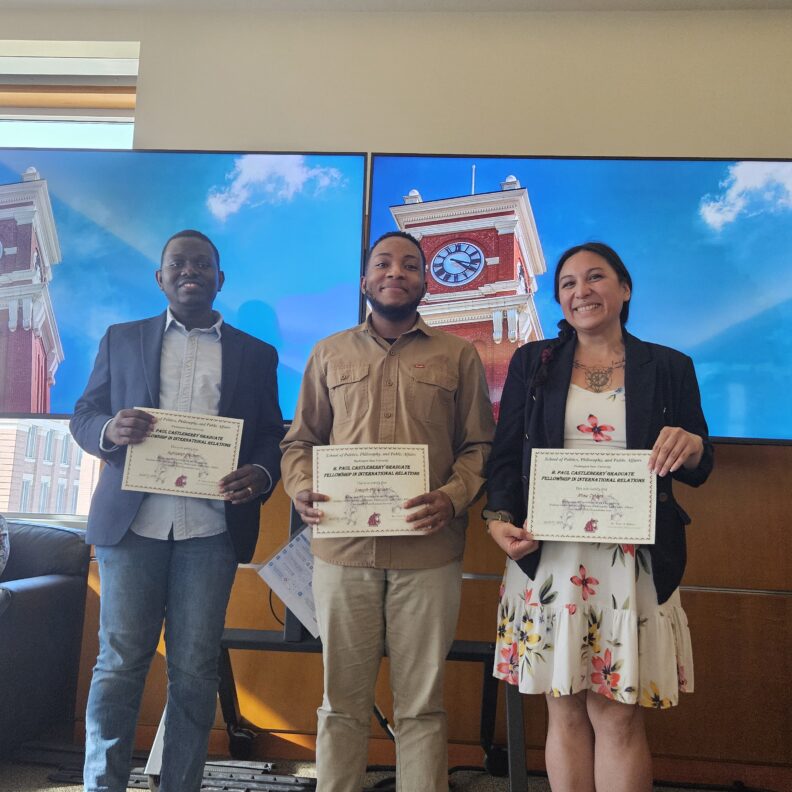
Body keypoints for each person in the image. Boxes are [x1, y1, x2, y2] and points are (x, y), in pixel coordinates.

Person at [484, 242, 713, 792]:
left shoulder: (670, 365)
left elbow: (701, 466)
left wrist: (694, 445)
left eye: (595, 278)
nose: (580, 291)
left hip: (631, 563)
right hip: (548, 559)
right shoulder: (531, 361)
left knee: (616, 714)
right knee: (562, 711)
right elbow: (504, 459)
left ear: (624, 288)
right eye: (567, 283)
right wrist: (496, 518)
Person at [70, 229, 285, 792]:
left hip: (211, 532)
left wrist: (261, 475)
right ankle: (103, 785)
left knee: (195, 671)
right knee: (120, 664)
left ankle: (180, 786)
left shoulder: (257, 354)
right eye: (177, 263)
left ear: (220, 278)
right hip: (131, 526)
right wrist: (109, 430)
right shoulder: (121, 338)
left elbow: (268, 435)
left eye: (202, 263)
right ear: (160, 277)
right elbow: (84, 414)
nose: (190, 270)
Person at [280, 231, 495, 792]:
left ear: (425, 281)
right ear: (365, 281)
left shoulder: (459, 355)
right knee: (341, 704)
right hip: (341, 554)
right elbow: (299, 443)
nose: (394, 273)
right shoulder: (329, 353)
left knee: (421, 706)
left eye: (408, 265)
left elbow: (480, 448)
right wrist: (301, 487)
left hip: (429, 553)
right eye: (382, 263)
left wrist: (451, 497)